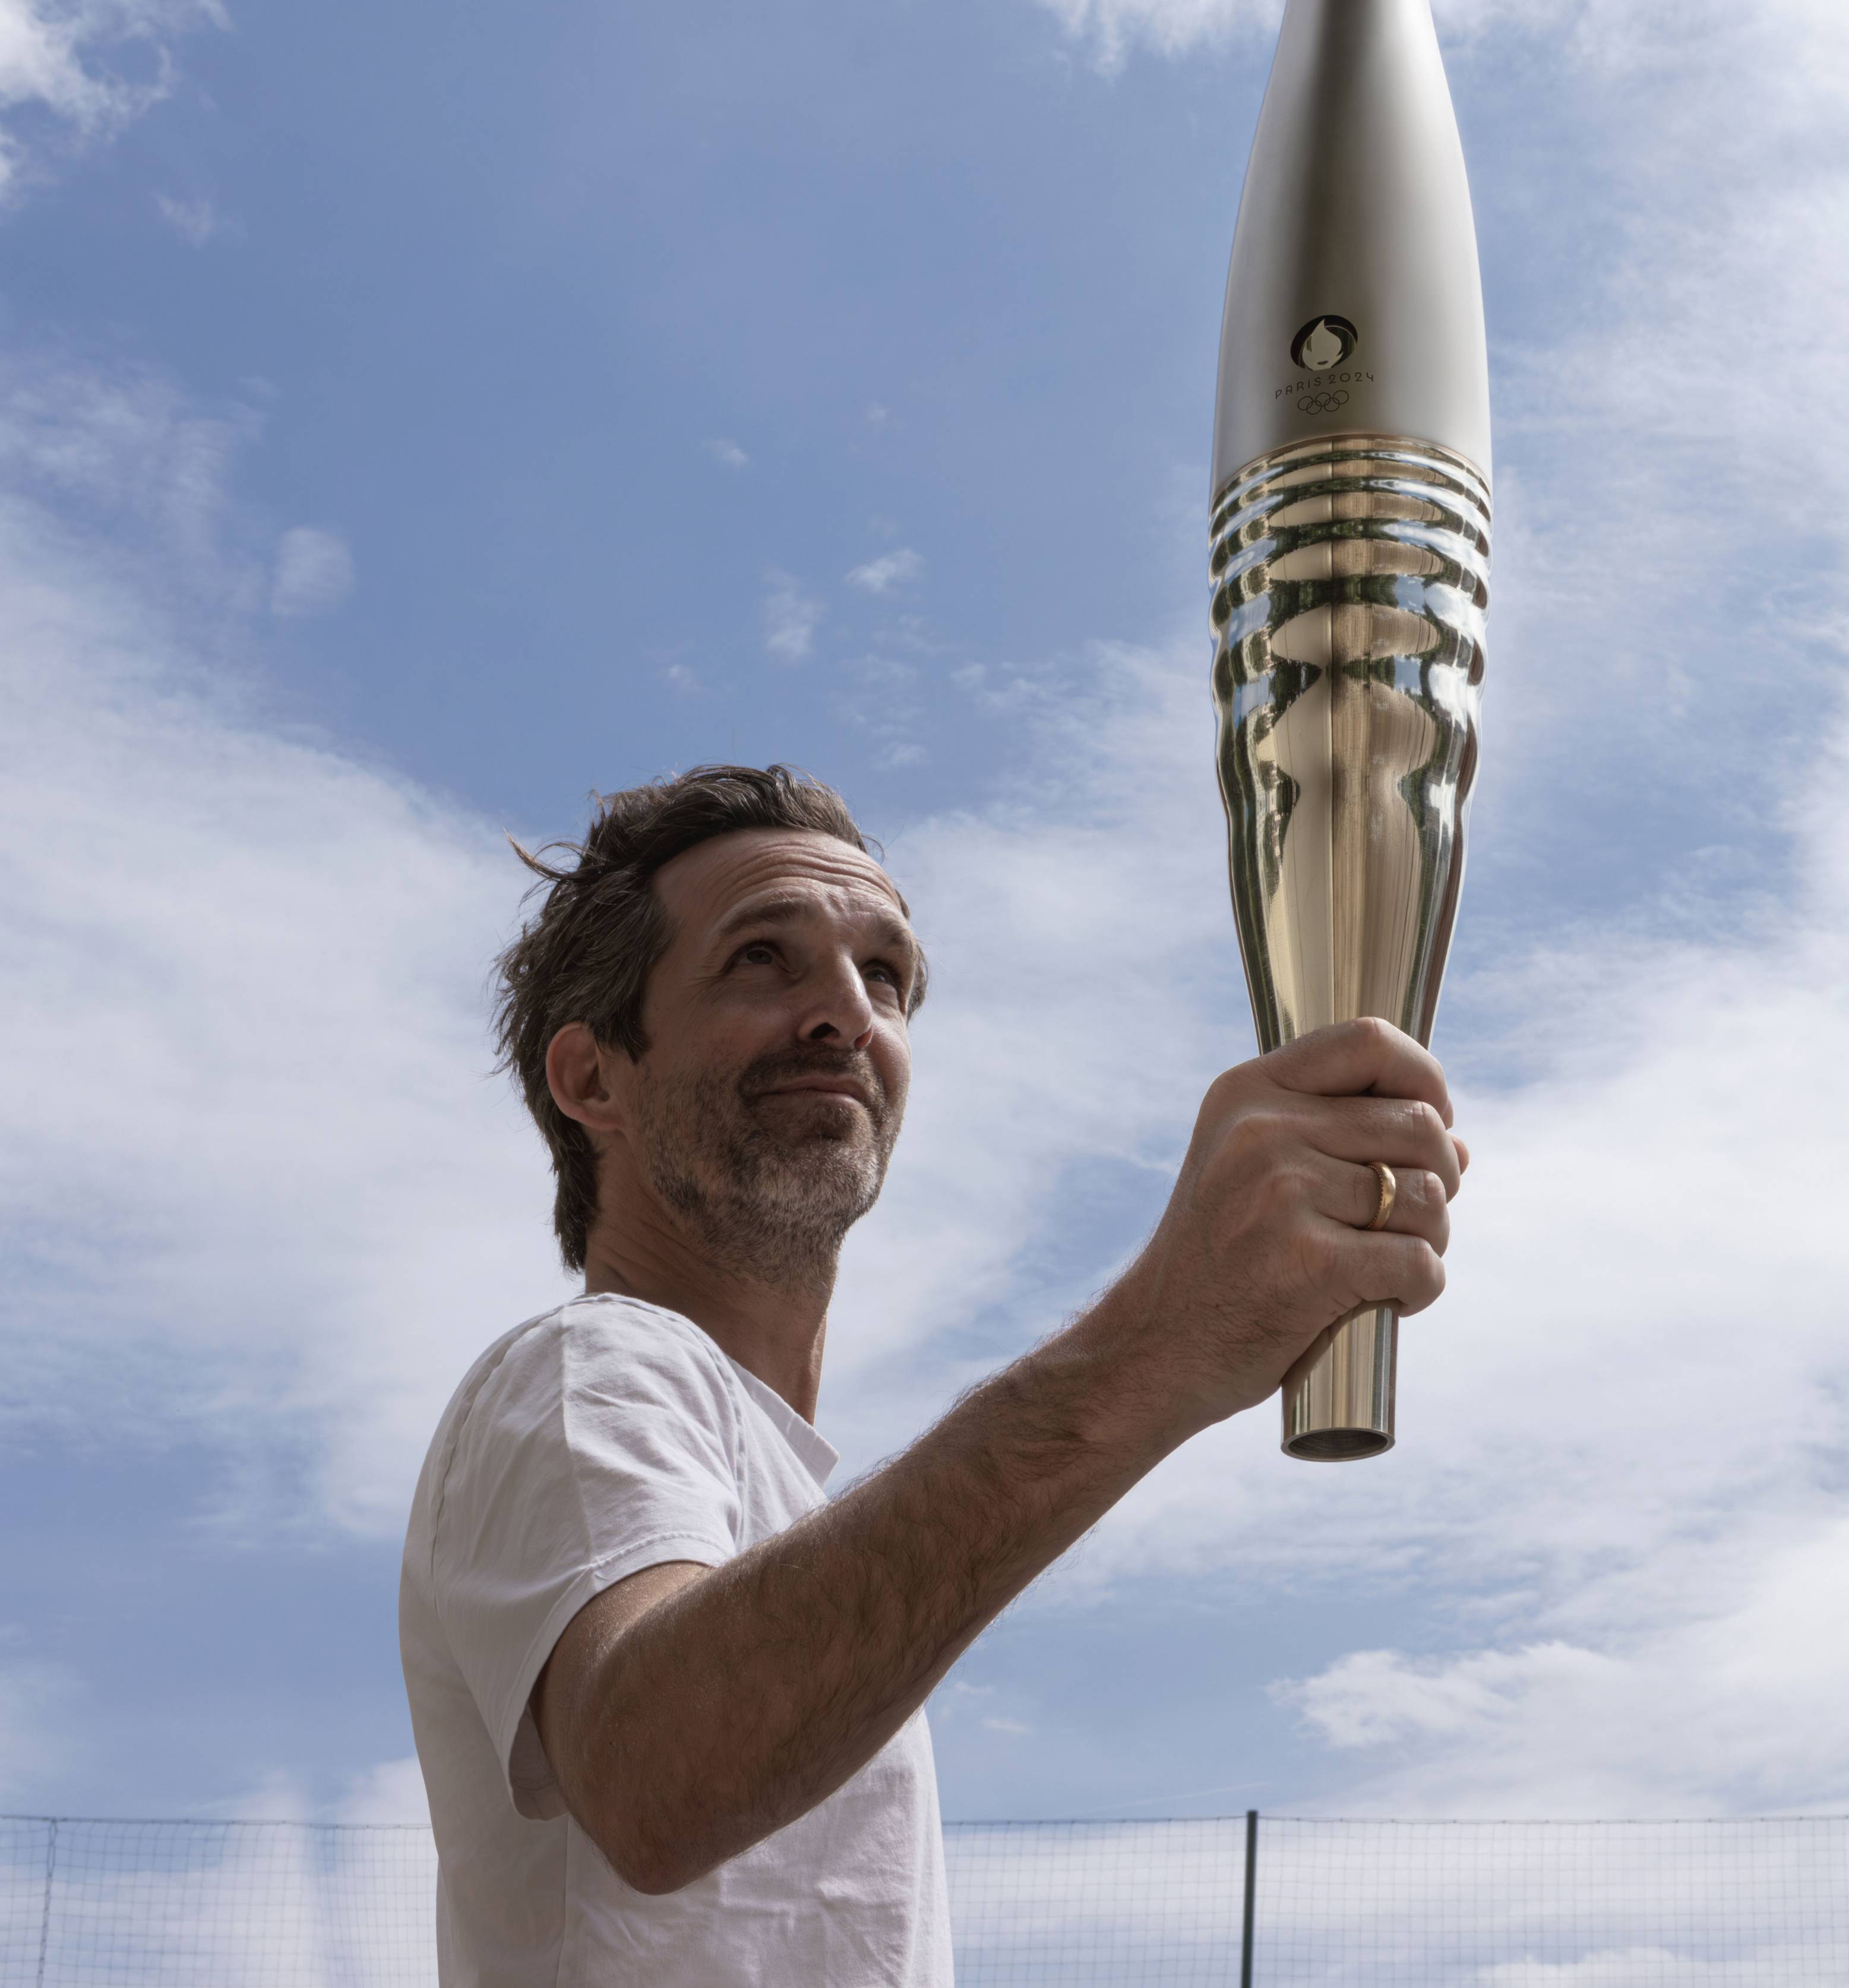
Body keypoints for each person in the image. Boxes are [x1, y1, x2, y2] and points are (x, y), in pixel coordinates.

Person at [399, 762, 1465, 1987]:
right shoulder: (589, 1369)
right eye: (761, 957)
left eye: (886, 975)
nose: (846, 1012)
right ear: (594, 1078)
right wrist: (1155, 1341)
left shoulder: (784, 1510)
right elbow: (654, 1774)